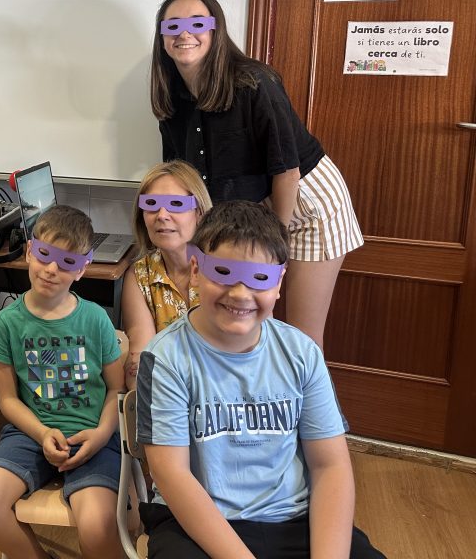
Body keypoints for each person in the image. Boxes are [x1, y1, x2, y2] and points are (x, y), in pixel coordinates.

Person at [136, 200, 385, 558]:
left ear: (279, 283)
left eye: (260, 279)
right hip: (196, 523)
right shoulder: (165, 358)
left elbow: (330, 465)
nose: (241, 294)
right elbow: (171, 474)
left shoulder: (302, 353)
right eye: (223, 272)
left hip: (293, 519)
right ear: (196, 269)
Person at [150, 0, 363, 348]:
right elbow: (181, 178)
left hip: (307, 203)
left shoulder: (253, 82)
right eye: (173, 26)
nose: (184, 33)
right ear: (162, 37)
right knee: (247, 328)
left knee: (302, 338)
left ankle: (306, 389)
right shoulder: (171, 97)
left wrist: (271, 249)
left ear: (215, 30)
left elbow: (287, 171)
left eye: (197, 24)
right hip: (253, 211)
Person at [0, 205, 125, 559]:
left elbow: (117, 390)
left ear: (82, 268)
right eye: (44, 254)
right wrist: (41, 433)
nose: (52, 269)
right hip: (30, 434)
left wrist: (101, 435)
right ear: (29, 251)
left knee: (97, 525)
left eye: (67, 262)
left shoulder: (96, 320)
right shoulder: (8, 323)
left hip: (92, 436)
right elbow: (8, 400)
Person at [122, 160, 211, 390]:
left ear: (199, 213)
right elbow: (139, 365)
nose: (162, 215)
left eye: (176, 204)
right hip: (164, 398)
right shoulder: (139, 275)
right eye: (151, 204)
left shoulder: (222, 269)